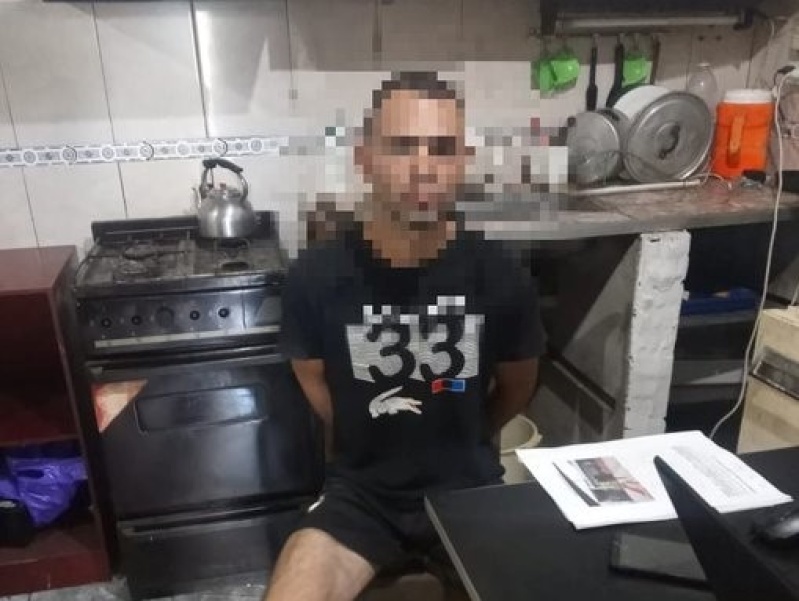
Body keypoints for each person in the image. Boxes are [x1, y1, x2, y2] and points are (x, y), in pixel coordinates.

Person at [266, 71, 545, 601]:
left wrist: (464, 437)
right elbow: (316, 387)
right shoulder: (315, 276)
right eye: (401, 146)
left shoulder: (501, 275)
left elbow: (517, 385)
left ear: (462, 161)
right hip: (360, 497)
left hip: (469, 492)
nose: (423, 166)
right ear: (365, 158)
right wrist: (371, 432)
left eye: (441, 149)